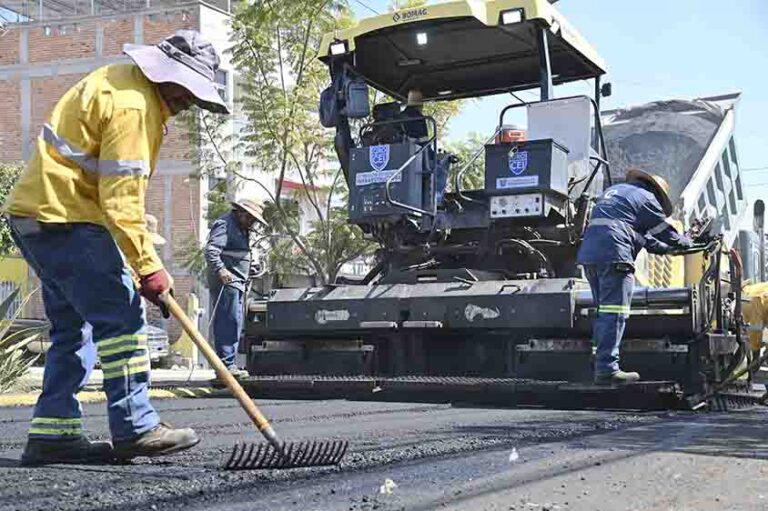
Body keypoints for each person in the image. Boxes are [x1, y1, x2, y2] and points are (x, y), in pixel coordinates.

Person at [5, 30, 229, 466]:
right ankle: (136, 426)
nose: (188, 105)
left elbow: (108, 189)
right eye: (187, 92)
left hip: (36, 217)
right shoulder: (135, 106)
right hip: (65, 219)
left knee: (74, 327)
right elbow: (121, 199)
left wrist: (136, 248)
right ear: (167, 76)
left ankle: (54, 433)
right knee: (122, 317)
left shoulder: (118, 81)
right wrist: (149, 269)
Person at [577, 169, 693, 385]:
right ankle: (607, 370)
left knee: (603, 312)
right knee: (615, 313)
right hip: (615, 256)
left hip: (590, 256)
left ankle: (597, 363)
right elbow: (664, 232)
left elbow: (647, 240)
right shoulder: (648, 199)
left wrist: (670, 251)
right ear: (657, 194)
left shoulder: (616, 193)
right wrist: (687, 243)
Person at [204, 199, 266, 377]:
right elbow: (211, 251)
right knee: (228, 321)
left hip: (237, 282)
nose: (252, 223)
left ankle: (228, 364)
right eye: (251, 218)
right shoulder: (224, 224)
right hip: (227, 282)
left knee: (236, 321)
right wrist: (221, 270)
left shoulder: (240, 228)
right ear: (241, 213)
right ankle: (225, 365)